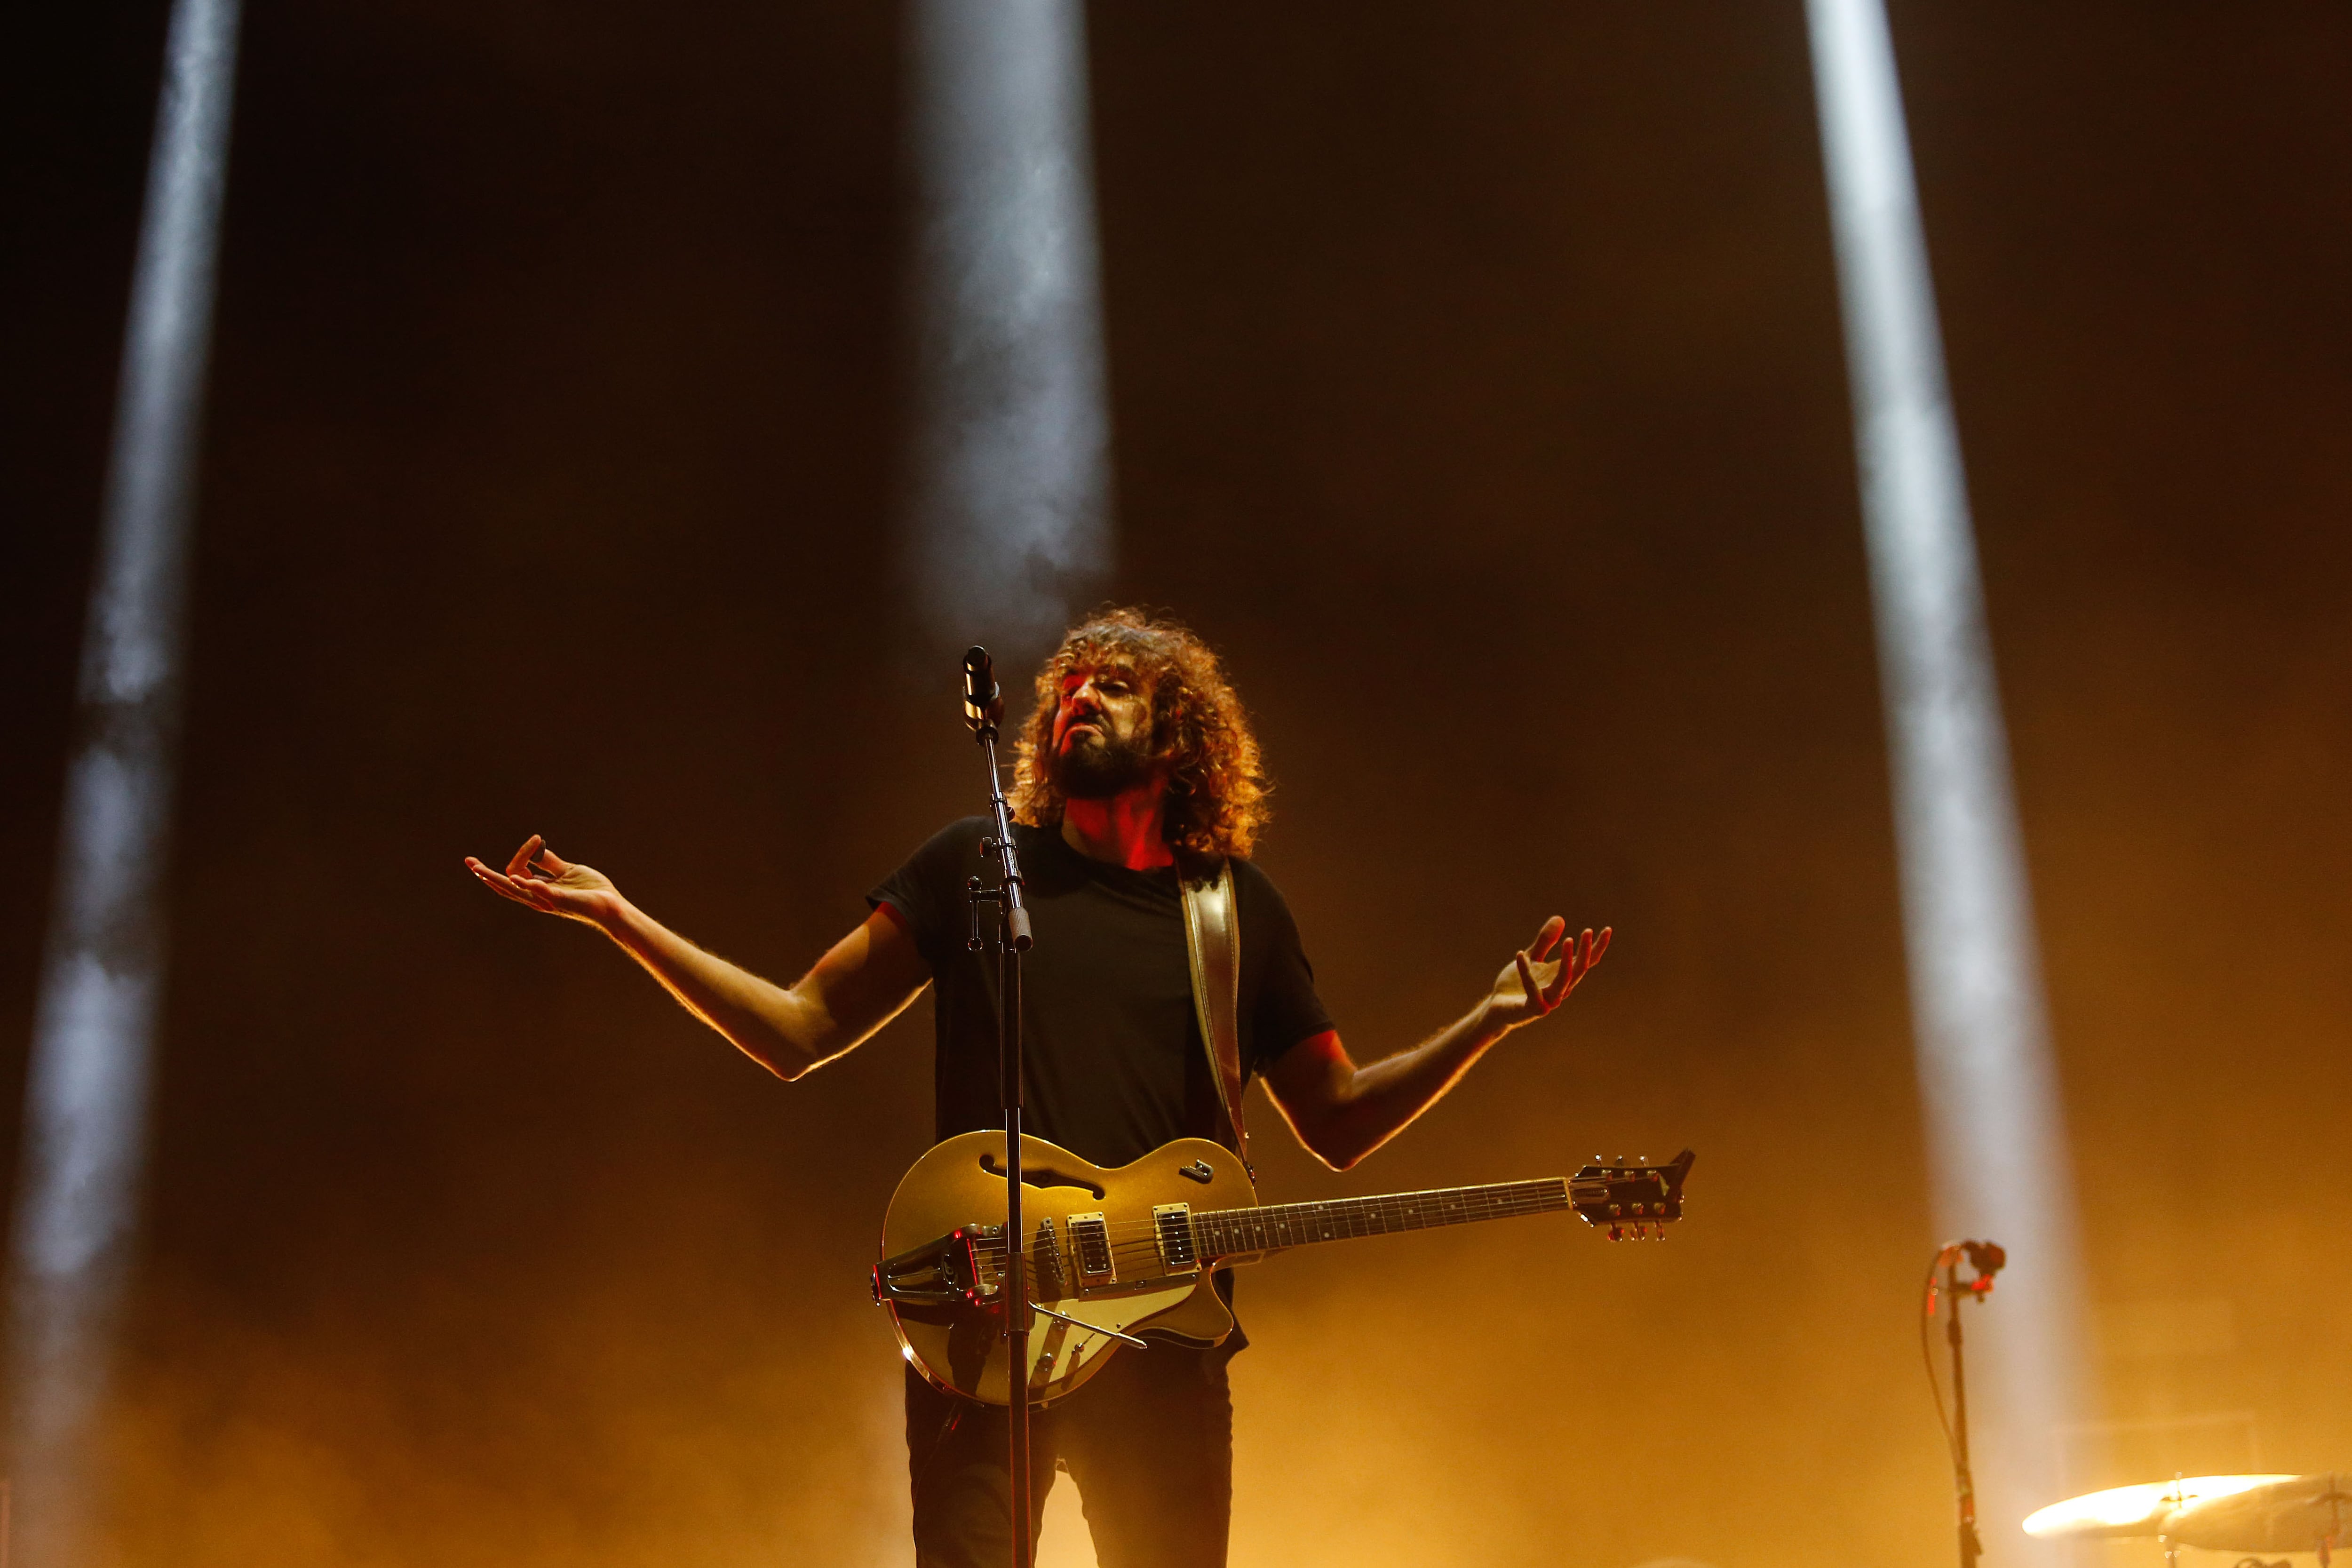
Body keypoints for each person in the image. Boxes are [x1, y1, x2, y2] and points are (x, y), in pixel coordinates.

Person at [465, 607, 1609, 1568]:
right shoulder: (972, 862)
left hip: (1163, 1345)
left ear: (1177, 737)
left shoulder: (1231, 910)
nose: (1079, 700)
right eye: (1069, 686)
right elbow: (797, 1028)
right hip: (981, 1324)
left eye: (1116, 686)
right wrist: (619, 916)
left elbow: (1340, 1122)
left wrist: (1490, 1017)